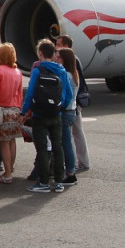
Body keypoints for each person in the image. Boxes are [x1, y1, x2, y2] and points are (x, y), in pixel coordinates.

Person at [21, 38, 73, 193]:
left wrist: (24, 112)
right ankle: (58, 182)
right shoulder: (62, 71)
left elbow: (30, 94)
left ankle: (43, 182)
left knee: (43, 149)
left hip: (39, 114)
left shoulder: (38, 70)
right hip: (56, 114)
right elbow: (69, 95)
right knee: (58, 147)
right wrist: (60, 107)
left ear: (40, 53)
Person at [0, 42, 23, 184]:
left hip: (1, 110)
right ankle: (11, 169)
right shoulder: (18, 72)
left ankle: (7, 173)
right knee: (11, 141)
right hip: (14, 109)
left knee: (3, 143)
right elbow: (20, 93)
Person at [56, 34, 91, 172]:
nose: (56, 46)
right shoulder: (75, 63)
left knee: (69, 135)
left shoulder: (69, 66)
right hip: (76, 102)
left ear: (66, 46)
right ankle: (83, 161)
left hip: (71, 104)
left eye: (58, 44)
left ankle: (73, 163)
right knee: (78, 133)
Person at [56, 46, 81, 186]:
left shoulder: (66, 75)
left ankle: (70, 173)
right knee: (67, 142)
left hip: (65, 111)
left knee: (65, 144)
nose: (56, 58)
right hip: (72, 110)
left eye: (59, 56)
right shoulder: (74, 74)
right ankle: (70, 171)